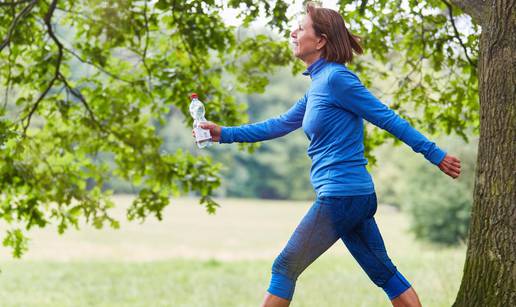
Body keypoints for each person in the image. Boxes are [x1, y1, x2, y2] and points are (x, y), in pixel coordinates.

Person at [193, 3, 461, 307]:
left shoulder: (337, 80)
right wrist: (223, 133)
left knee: (284, 267)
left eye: (301, 28)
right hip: (352, 196)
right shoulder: (318, 85)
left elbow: (387, 118)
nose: (293, 33)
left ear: (320, 40)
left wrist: (435, 154)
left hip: (341, 196)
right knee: (384, 273)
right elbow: (279, 124)